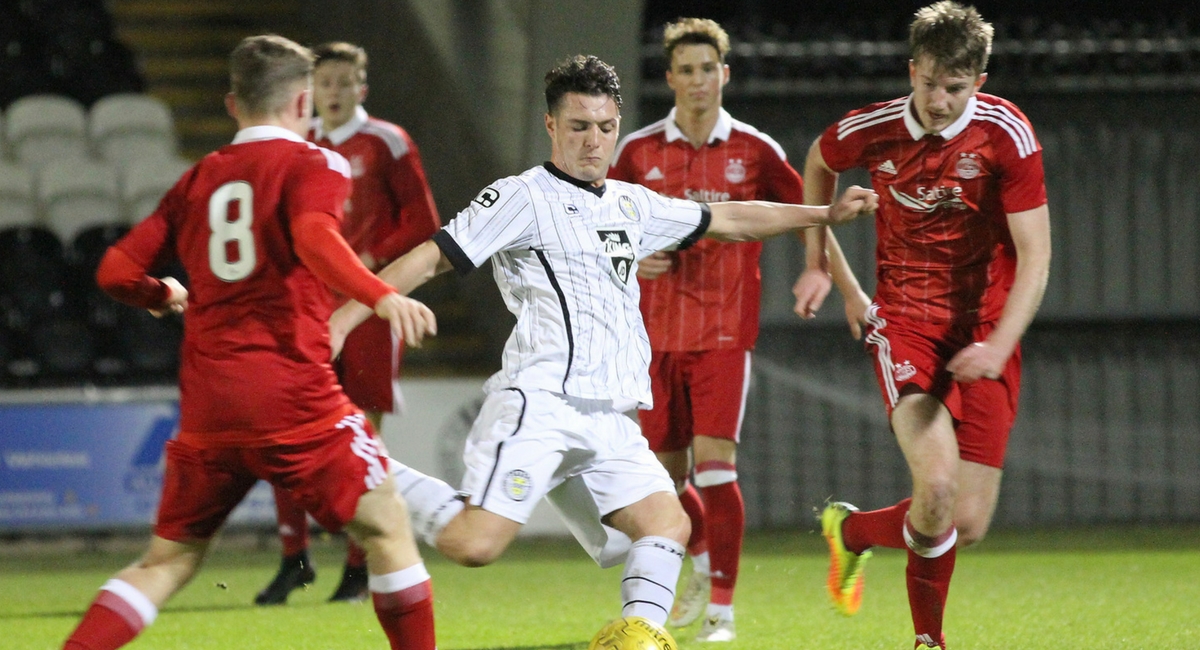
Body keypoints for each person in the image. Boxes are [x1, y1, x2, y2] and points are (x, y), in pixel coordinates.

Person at [326, 54, 877, 629]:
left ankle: (638, 640)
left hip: (610, 415)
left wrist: (824, 213)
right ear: (551, 127)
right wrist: (346, 318)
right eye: (579, 127)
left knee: (668, 524)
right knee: (473, 545)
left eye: (606, 127)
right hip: (540, 402)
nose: (595, 142)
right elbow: (431, 256)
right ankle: (360, 463)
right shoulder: (521, 197)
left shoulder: (630, 204)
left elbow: (732, 218)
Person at [61, 35, 439, 650]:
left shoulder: (200, 177)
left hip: (208, 406)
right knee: (389, 528)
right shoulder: (317, 163)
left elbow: (113, 272)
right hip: (294, 394)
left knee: (166, 563)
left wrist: (161, 294)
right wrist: (381, 295)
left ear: (233, 104)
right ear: (303, 103)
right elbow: (315, 238)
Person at [794, 3, 1051, 649]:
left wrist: (999, 343)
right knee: (934, 486)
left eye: (955, 87)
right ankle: (928, 641)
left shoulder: (1007, 136)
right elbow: (818, 162)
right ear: (912, 69)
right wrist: (820, 264)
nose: (938, 100)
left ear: (980, 82)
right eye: (929, 81)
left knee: (963, 520)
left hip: (986, 329)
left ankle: (849, 533)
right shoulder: (873, 129)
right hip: (906, 324)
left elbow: (1037, 255)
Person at [608, 18, 806, 642]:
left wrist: (822, 273)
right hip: (652, 334)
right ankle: (696, 564)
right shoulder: (638, 151)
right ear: (670, 78)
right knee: (661, 484)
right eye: (685, 70)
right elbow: (601, 228)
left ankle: (722, 611)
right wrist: (633, 257)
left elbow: (805, 209)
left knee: (716, 470)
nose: (697, 80)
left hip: (723, 332)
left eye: (707, 69)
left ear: (725, 74)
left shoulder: (754, 149)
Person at [256, 40, 442, 607]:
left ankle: (361, 569)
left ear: (362, 88)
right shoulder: (298, 144)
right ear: (310, 91)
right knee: (283, 430)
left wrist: (372, 258)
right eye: (324, 83)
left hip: (366, 310)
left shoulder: (386, 140)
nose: (333, 93)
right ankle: (295, 559)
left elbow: (425, 222)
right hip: (307, 309)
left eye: (344, 82)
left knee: (358, 438)